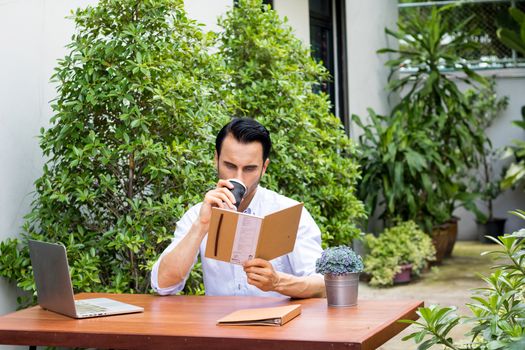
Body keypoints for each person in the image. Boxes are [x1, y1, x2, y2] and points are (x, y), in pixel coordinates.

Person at [151, 118, 325, 298]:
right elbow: (163, 285)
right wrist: (202, 225)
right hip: (218, 323)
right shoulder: (199, 214)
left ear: (264, 168)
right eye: (230, 166)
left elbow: (323, 284)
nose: (238, 178)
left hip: (277, 323)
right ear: (216, 159)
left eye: (249, 169)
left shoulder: (288, 212)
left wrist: (277, 282)